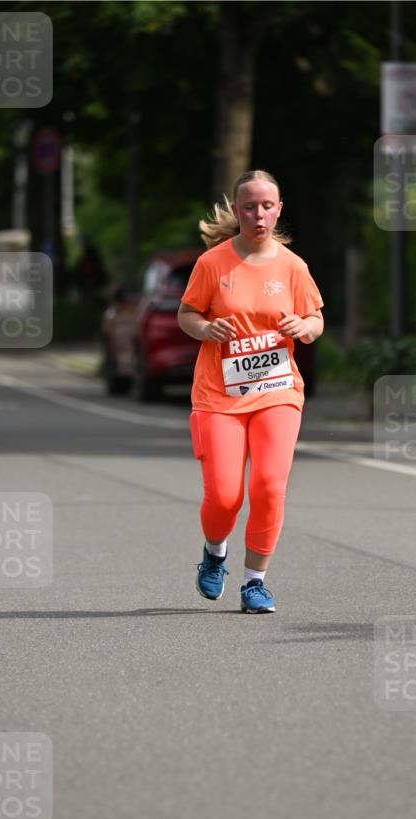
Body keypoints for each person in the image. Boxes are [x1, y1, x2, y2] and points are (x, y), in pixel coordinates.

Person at [178, 169, 324, 613]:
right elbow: (187, 314)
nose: (258, 214)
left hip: (277, 391)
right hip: (218, 396)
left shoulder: (293, 266)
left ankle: (254, 582)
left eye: (267, 206)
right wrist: (206, 327)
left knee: (268, 484)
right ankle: (214, 553)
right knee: (224, 495)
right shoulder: (213, 264)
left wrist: (304, 327)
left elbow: (316, 320)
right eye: (249, 206)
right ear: (237, 210)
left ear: (278, 210)